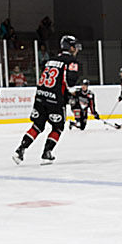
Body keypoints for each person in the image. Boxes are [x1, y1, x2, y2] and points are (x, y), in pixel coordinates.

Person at [14, 35, 81, 164]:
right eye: (75, 46)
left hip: (40, 96)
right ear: (71, 47)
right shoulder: (71, 61)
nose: (76, 49)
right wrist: (71, 96)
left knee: (37, 125)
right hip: (54, 100)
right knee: (58, 128)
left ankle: (20, 150)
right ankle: (46, 153)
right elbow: (70, 83)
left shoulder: (50, 60)